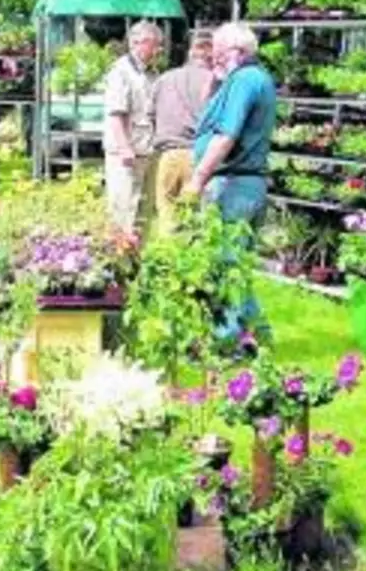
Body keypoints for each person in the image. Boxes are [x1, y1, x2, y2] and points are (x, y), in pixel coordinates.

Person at [184, 21, 279, 341]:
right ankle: (261, 333)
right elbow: (207, 108)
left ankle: (227, 340)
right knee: (236, 264)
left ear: (238, 52)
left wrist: (198, 178)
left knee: (227, 265)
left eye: (219, 53)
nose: (214, 59)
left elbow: (226, 135)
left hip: (234, 183)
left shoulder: (244, 81)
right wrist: (216, 75)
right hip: (245, 183)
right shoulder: (248, 78)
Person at [150, 30, 217, 235]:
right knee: (196, 222)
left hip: (168, 155)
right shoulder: (216, 82)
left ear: (190, 51)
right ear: (211, 53)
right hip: (200, 157)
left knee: (168, 220)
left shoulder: (165, 79)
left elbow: (151, 115)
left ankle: (166, 263)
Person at [103, 21, 163, 232]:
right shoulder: (121, 71)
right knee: (123, 209)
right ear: (139, 42)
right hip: (126, 154)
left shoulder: (152, 73)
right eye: (156, 44)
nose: (159, 50)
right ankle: (119, 262)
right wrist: (124, 147)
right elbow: (116, 113)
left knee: (144, 211)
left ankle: (139, 260)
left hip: (147, 150)